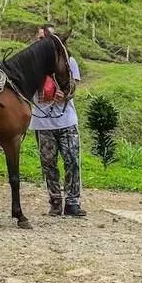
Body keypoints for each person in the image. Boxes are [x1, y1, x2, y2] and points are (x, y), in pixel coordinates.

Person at [29, 24, 85, 217]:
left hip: (66, 120)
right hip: (42, 122)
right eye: (40, 38)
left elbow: (73, 85)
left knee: (72, 161)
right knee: (48, 163)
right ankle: (55, 201)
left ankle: (72, 202)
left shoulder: (68, 60)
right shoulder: (32, 62)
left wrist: (66, 94)